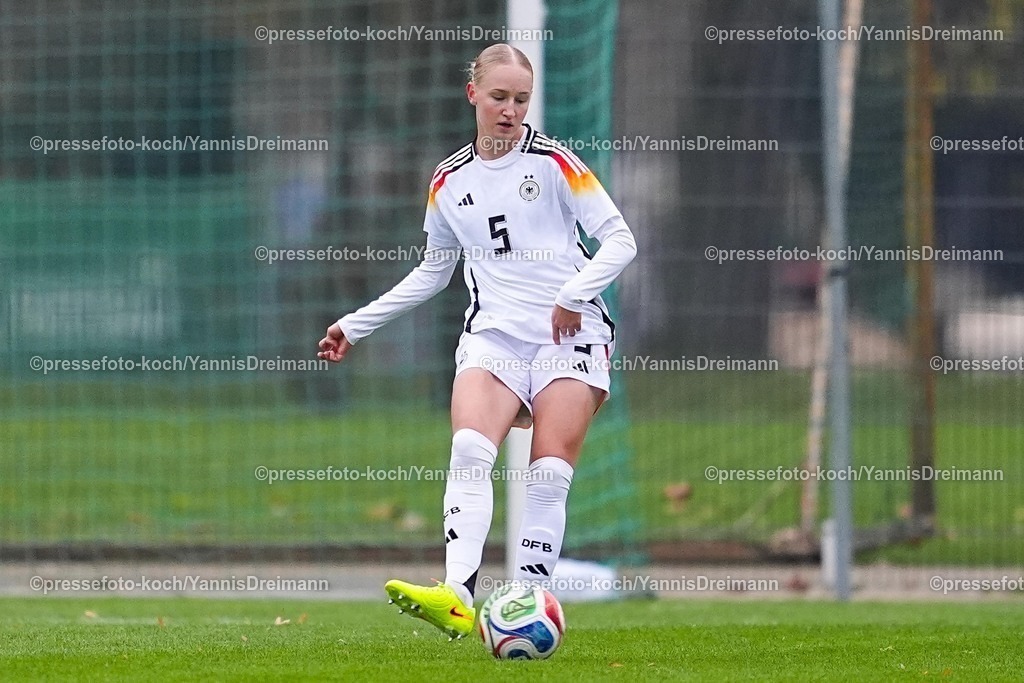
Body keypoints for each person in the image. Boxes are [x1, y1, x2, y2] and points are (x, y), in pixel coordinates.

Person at [317, 43, 637, 640]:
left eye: (521, 99)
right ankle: (456, 595)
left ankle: (531, 600)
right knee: (469, 448)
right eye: (498, 97)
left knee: (547, 473)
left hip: (570, 336)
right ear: (473, 95)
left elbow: (620, 241)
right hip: (493, 336)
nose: (510, 110)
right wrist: (355, 324)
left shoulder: (556, 164)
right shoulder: (448, 181)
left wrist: (572, 295)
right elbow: (433, 272)